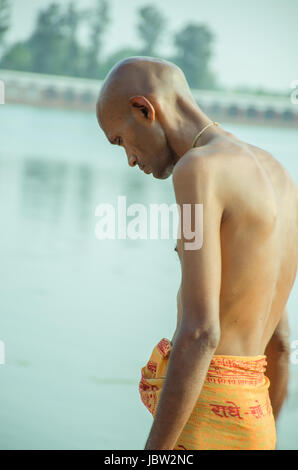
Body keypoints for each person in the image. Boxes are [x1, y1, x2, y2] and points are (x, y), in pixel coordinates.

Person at [96, 56, 298, 450]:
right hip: (257, 421)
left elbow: (201, 331)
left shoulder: (198, 169)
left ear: (144, 109)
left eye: (120, 140)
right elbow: (282, 341)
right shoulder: (281, 178)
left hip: (205, 421)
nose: (130, 159)